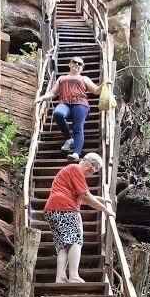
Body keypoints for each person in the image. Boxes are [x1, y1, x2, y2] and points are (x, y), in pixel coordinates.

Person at [43, 152, 115, 283]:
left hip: (53, 210)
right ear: (84, 160)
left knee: (63, 245)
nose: (93, 169)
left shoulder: (71, 172)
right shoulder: (75, 169)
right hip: (65, 208)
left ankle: (60, 277)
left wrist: (101, 200)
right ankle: (74, 275)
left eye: (96, 168)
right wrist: (106, 210)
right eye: (92, 164)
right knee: (75, 240)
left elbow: (83, 198)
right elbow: (86, 196)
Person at [36, 54, 111, 159]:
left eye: (79, 63)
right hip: (64, 102)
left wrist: (104, 85)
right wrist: (41, 98)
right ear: (70, 64)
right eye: (74, 62)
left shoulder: (84, 78)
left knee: (78, 128)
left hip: (80, 103)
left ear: (82, 67)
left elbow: (96, 90)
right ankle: (69, 139)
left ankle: (76, 153)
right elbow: (52, 93)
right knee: (58, 114)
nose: (76, 64)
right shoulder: (62, 78)